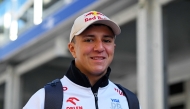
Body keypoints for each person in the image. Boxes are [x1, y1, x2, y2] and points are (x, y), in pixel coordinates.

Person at [23, 11, 140, 109]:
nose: (99, 48)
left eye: (107, 40)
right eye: (89, 40)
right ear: (72, 49)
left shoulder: (129, 100)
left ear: (113, 48)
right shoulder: (45, 99)